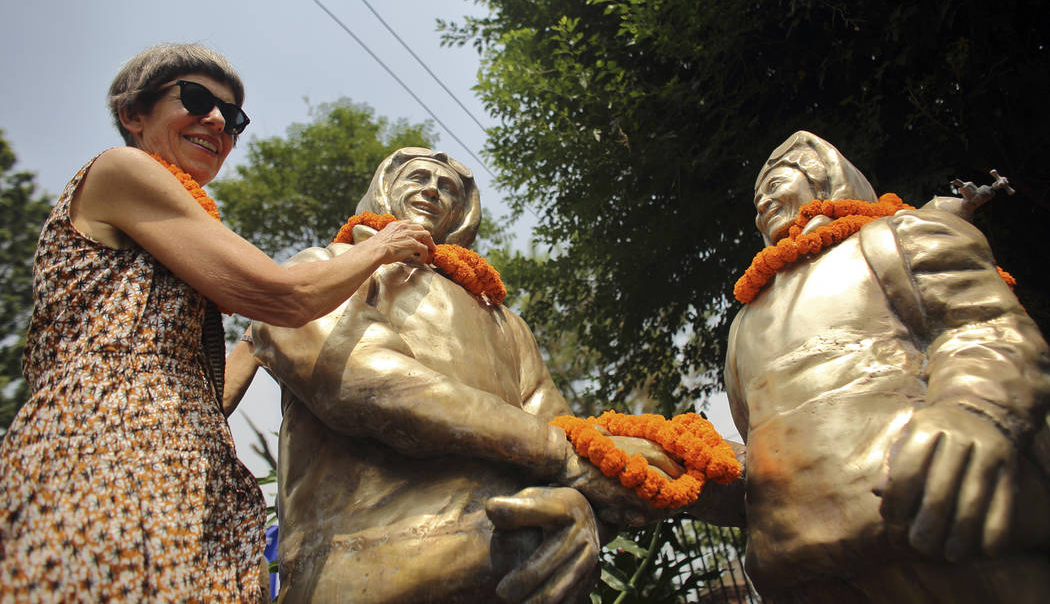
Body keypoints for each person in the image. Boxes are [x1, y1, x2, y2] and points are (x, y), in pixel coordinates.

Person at [0, 44, 435, 602]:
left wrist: (261, 341)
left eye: (233, 118)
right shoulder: (122, 168)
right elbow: (282, 294)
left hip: (189, 475)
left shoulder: (171, 237)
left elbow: (205, 396)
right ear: (134, 114)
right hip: (108, 457)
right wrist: (383, 248)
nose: (217, 122)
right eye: (197, 99)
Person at [249, 147, 699, 604]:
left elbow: (561, 428)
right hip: (360, 561)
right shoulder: (324, 266)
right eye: (418, 177)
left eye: (448, 188)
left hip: (506, 556)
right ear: (384, 188)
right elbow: (359, 380)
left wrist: (597, 488)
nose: (432, 189)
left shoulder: (503, 321)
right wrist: (561, 456)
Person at [724, 131, 1050, 603]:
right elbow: (759, 449)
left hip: (941, 519)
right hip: (799, 567)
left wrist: (975, 412)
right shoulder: (742, 325)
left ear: (827, 180)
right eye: (757, 200)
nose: (763, 204)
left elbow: (983, 328)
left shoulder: (895, 237)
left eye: (775, 184)